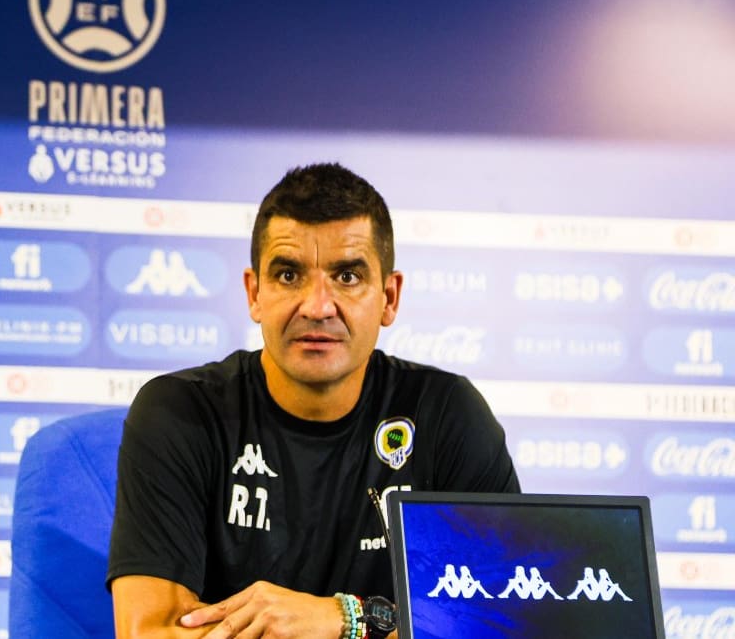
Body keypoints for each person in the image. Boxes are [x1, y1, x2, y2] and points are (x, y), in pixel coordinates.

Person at [107, 163, 520, 638]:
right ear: (254, 293)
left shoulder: (447, 414)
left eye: (347, 277)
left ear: (389, 297)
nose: (318, 306)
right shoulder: (178, 412)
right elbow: (150, 633)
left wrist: (346, 619)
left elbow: (504, 622)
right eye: (288, 275)